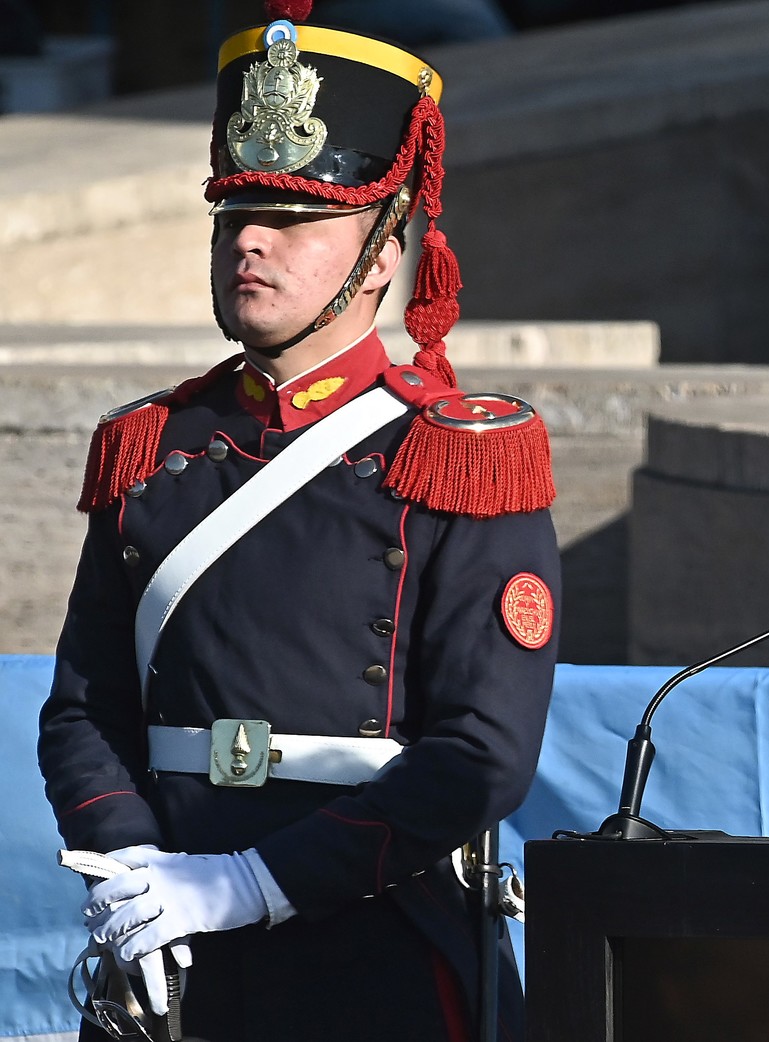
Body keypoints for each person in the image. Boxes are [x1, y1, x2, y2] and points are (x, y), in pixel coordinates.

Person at [37, 2, 558, 1038]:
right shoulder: (154, 443)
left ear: (383, 251)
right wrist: (134, 865)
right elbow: (86, 707)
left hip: (378, 947)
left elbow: (480, 754)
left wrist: (250, 882)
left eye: (294, 219)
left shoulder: (459, 452)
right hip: (172, 949)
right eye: (236, 217)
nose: (252, 244)